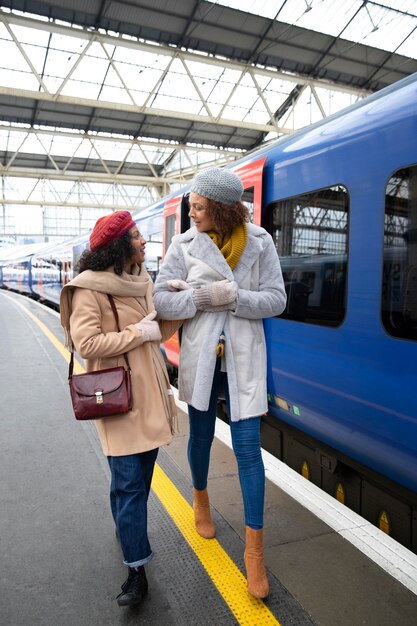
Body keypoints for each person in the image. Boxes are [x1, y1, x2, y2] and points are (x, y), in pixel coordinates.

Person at [153, 168, 287, 599]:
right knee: (203, 436)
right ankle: (201, 499)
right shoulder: (183, 244)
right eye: (191, 205)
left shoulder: (261, 242)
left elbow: (277, 299)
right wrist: (198, 297)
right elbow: (160, 298)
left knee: (249, 451)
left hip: (244, 360)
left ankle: (254, 556)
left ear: (224, 210)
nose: (191, 213)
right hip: (203, 357)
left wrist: (236, 298)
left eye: (199, 206)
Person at [60, 210, 178, 607]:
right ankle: (136, 569)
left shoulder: (141, 281)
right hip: (120, 400)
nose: (144, 242)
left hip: (151, 397)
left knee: (137, 483)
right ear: (118, 245)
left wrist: (175, 309)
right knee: (129, 486)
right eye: (137, 236)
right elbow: (86, 344)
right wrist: (136, 333)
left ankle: (126, 529)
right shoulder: (88, 290)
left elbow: (157, 332)